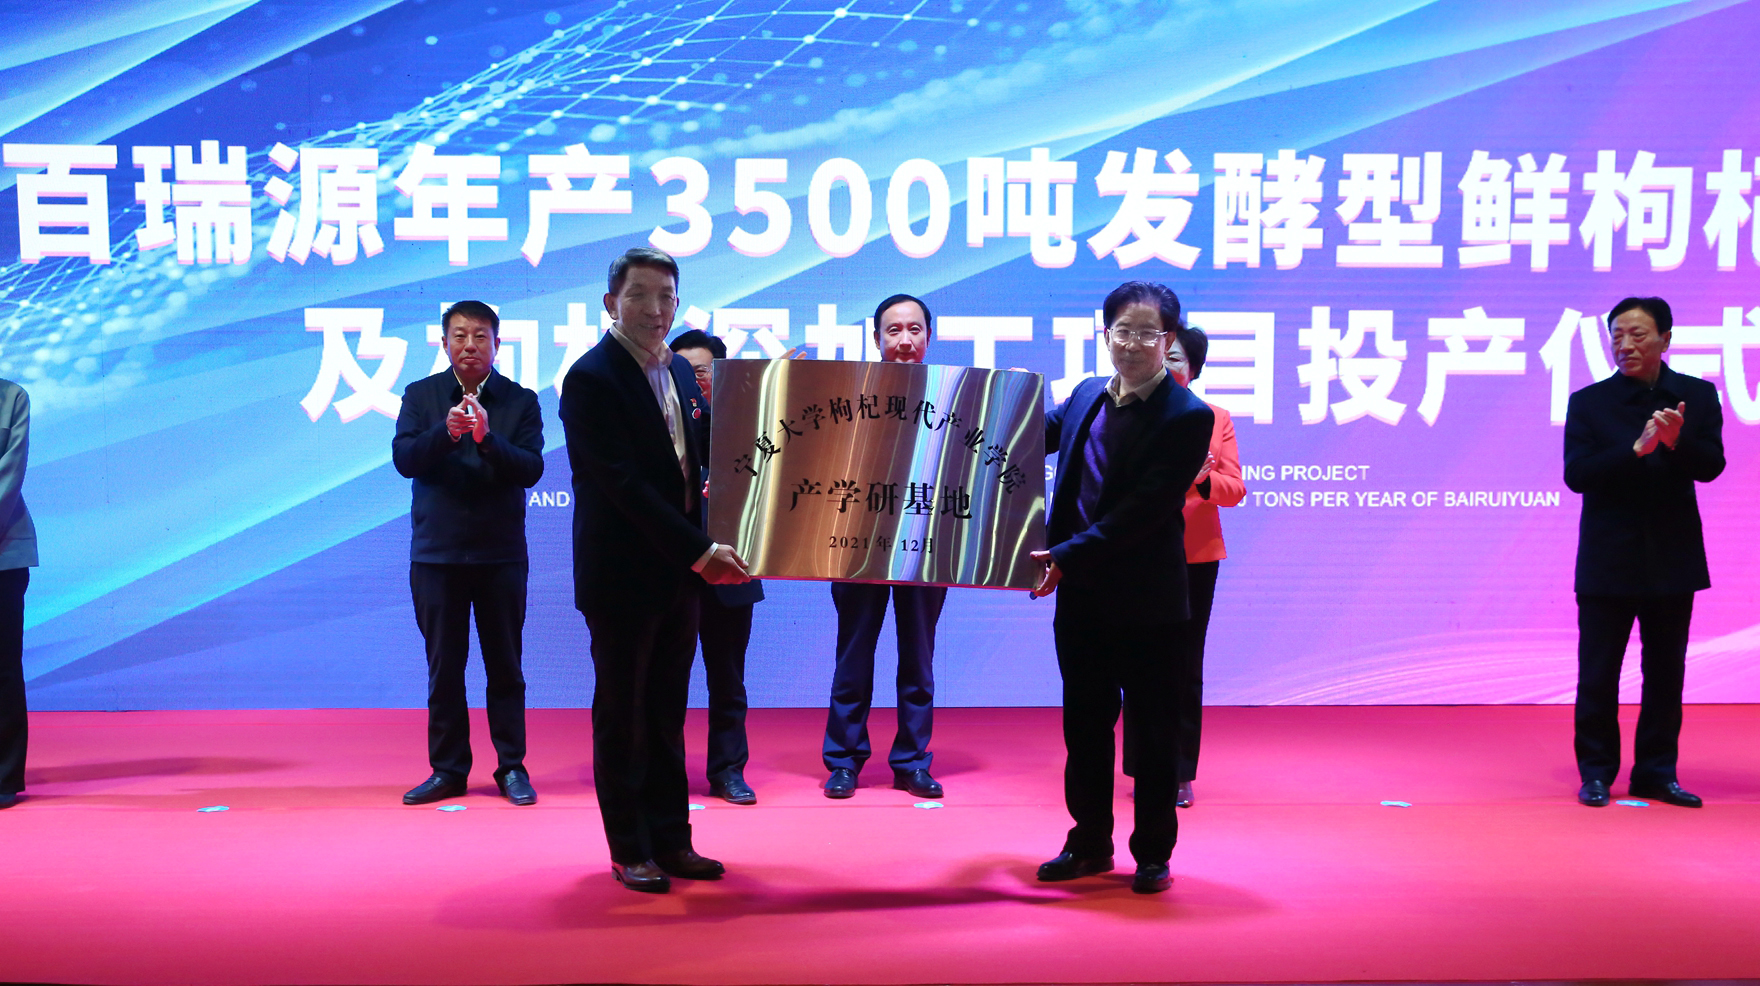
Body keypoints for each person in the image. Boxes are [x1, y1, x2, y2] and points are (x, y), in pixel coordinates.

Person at [560, 246, 750, 893]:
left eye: (666, 296)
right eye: (640, 295)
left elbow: (696, 468)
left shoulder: (677, 374)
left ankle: (672, 840)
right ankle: (629, 848)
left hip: (677, 577)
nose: (655, 308)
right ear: (611, 303)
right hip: (621, 578)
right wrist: (699, 550)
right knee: (624, 715)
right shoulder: (591, 377)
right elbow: (623, 485)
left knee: (667, 713)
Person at [1030, 281, 1213, 894]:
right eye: (1122, 332)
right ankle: (1089, 844)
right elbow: (1028, 438)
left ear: (1169, 339)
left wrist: (1063, 556)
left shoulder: (1188, 416)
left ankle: (1153, 853)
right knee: (1083, 728)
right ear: (1105, 334)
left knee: (1153, 734)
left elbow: (1142, 512)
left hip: (1149, 604)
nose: (1132, 344)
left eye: (1147, 333)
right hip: (1082, 600)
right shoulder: (1086, 394)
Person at [1564, 296, 1724, 809]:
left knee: (1665, 673)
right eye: (1616, 336)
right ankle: (1596, 773)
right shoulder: (1589, 402)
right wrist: (1636, 449)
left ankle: (1656, 773)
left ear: (1665, 339)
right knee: (1598, 673)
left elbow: (1711, 466)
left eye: (1637, 334)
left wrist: (1676, 442)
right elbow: (1577, 475)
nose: (1624, 345)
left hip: (1672, 557)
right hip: (1607, 558)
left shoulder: (1696, 396)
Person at [392, 300, 546, 807]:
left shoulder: (520, 400)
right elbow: (404, 459)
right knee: (445, 669)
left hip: (500, 557)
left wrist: (485, 438)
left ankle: (512, 767)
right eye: (459, 336)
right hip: (436, 557)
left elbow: (531, 469)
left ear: (497, 344)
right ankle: (448, 769)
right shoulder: (421, 395)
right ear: (444, 344)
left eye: (481, 336)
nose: (470, 345)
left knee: (506, 668)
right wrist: (446, 432)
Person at [821, 293, 949, 801]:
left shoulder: (954, 397)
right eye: (894, 330)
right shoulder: (850, 395)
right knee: (853, 655)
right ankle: (843, 761)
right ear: (876, 339)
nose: (905, 340)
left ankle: (912, 761)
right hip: (858, 542)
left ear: (928, 337)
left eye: (914, 329)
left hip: (927, 543)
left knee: (918, 657)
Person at [1121, 325, 1245, 808]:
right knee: (1138, 664)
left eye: (1177, 359)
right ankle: (1142, 767)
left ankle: (1178, 771)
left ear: (1192, 371)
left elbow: (1235, 489)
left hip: (1195, 557)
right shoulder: (1127, 412)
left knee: (1184, 665)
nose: (1167, 365)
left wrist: (1202, 480)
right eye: (1162, 356)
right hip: (1136, 554)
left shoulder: (1214, 418)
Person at [669, 329, 766, 805]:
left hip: (732, 572)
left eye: (701, 372)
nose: (692, 382)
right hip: (674, 574)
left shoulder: (751, 427)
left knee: (728, 680)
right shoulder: (661, 428)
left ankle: (728, 771)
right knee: (668, 681)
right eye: (681, 373)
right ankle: (665, 773)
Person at [0, 378, 37, 811]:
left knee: (2, 665)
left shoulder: (12, 398)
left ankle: (3, 776)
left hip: (4, 552)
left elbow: (9, 473)